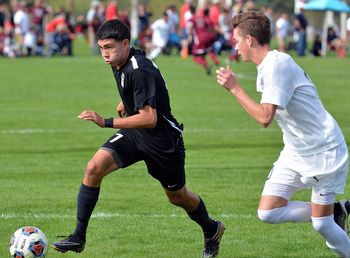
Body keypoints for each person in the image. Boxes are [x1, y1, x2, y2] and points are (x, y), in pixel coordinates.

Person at [51, 19, 225, 258]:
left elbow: (149, 118)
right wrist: (127, 101)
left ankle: (212, 228)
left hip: (162, 142)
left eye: (110, 47)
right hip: (135, 134)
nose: (105, 53)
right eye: (101, 48)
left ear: (125, 43)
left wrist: (107, 122)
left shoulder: (139, 68)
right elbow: (139, 93)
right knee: (93, 168)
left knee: (178, 197)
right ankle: (78, 237)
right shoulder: (121, 61)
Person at [216, 11, 350, 257]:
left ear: (250, 40)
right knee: (268, 212)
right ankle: (337, 210)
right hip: (296, 151)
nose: (234, 45)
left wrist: (235, 88)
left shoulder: (277, 65)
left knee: (323, 224)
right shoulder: (267, 66)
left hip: (324, 152)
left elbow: (265, 117)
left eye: (236, 39)